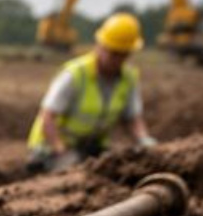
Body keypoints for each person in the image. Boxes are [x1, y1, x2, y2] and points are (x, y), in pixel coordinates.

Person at [26, 12, 159, 174]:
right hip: (52, 147)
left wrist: (144, 141)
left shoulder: (129, 78)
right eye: (113, 53)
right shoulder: (75, 74)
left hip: (90, 147)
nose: (117, 59)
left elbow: (133, 119)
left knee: (119, 169)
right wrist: (60, 150)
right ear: (100, 46)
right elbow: (47, 117)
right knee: (73, 171)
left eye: (123, 54)